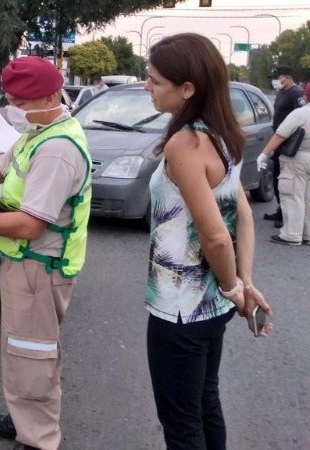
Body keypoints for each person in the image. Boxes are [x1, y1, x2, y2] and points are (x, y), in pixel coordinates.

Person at [0, 56, 92, 450]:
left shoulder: (57, 149)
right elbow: (4, 167)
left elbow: (30, 223)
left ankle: (38, 439)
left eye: (18, 102)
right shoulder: (38, 132)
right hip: (26, 263)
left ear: (47, 96)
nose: (13, 109)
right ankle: (26, 419)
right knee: (22, 349)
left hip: (40, 266)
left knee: (32, 355)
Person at [143, 33, 273, 450]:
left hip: (179, 309)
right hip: (211, 306)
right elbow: (244, 217)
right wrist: (243, 283)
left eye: (155, 80)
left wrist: (237, 287)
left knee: (181, 422)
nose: (147, 86)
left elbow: (218, 236)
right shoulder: (223, 136)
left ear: (187, 89)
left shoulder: (186, 144)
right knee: (204, 402)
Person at [257, 82, 310, 245]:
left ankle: (291, 235)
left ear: (306, 95)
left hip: (297, 160)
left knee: (292, 197)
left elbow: (280, 135)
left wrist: (264, 154)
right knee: (308, 199)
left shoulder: (301, 113)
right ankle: (308, 234)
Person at [264, 66, 305, 227]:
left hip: (289, 143)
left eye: (277, 77)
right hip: (279, 142)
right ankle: (281, 210)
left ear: (287, 77)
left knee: (288, 181)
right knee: (277, 178)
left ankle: (287, 217)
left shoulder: (297, 94)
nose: (274, 81)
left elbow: (301, 120)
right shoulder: (282, 93)